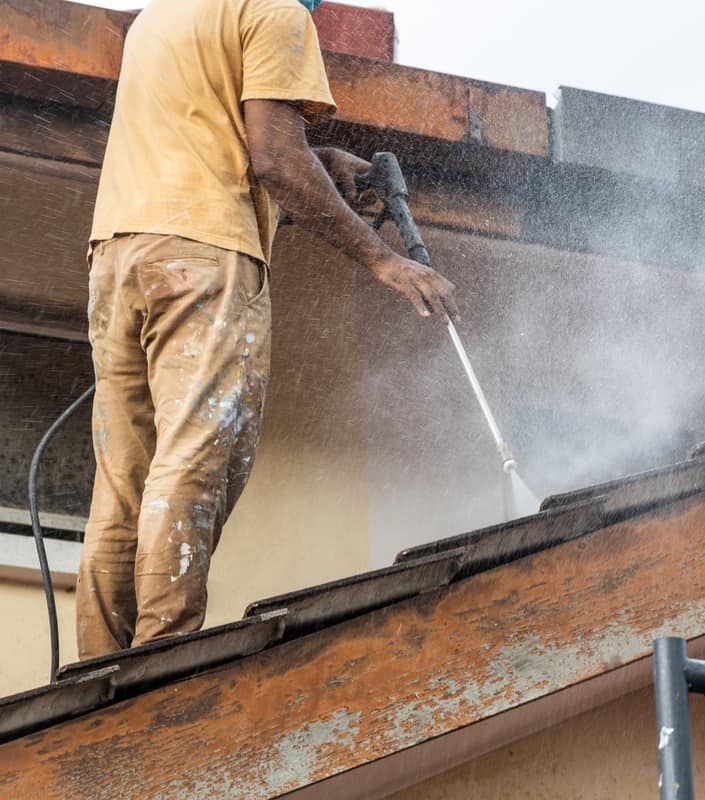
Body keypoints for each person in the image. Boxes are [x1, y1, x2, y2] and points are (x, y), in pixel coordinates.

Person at [76, 0, 457, 659]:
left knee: (124, 482)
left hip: (119, 255)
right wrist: (382, 259)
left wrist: (321, 158)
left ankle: (98, 666)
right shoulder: (275, 10)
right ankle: (156, 661)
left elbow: (213, 133)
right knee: (196, 453)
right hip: (205, 257)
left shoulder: (164, 15)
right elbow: (275, 159)